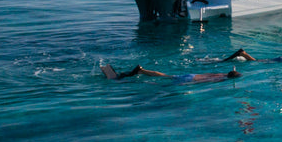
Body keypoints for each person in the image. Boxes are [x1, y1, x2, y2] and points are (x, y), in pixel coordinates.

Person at [102, 64, 241, 83]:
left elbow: (231, 72)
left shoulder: (222, 74)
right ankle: (141, 71)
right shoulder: (222, 80)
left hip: (191, 75)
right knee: (162, 79)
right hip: (189, 81)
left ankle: (140, 71)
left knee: (165, 76)